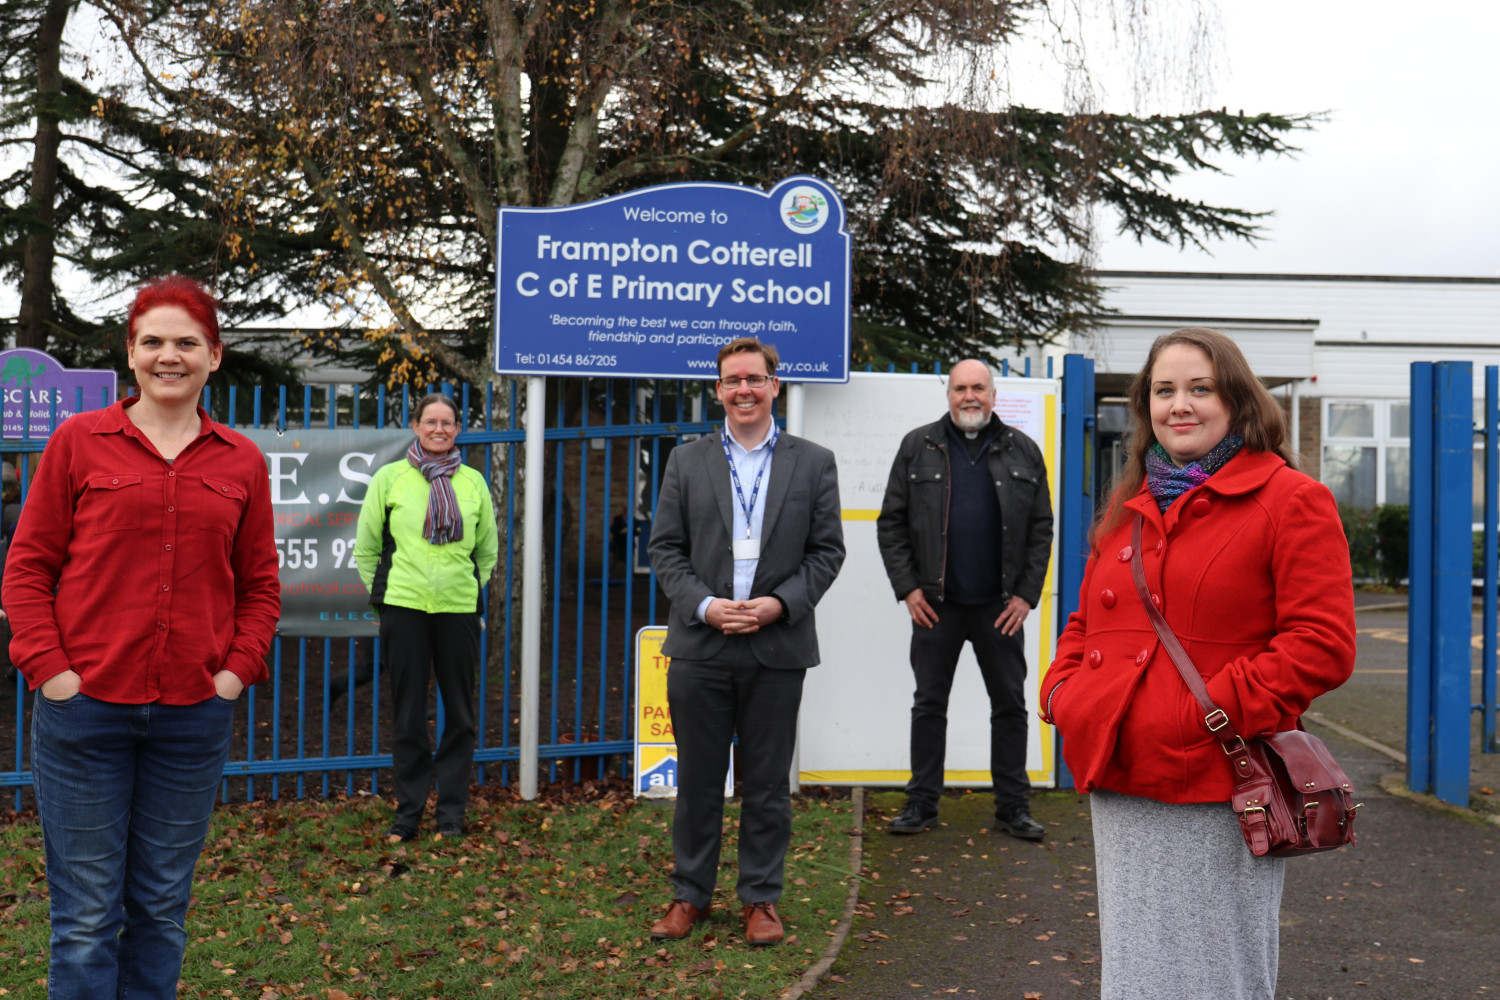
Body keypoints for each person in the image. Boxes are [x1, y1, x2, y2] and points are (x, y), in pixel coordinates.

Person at [1039, 328, 1356, 1000]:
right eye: (1163, 390)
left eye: (1199, 388)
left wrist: (1203, 711)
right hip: (1120, 773)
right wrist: (1065, 693)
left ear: (1238, 401)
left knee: (1214, 972)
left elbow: (1322, 643)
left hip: (1215, 779)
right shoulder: (1130, 509)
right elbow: (1085, 623)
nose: (1179, 405)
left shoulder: (1290, 499)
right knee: (1135, 968)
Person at [4, 275, 281, 999]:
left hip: (192, 718)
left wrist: (233, 674)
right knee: (87, 917)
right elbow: (27, 568)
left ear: (213, 357)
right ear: (130, 354)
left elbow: (259, 587)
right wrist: (51, 672)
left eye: (186, 343)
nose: (169, 356)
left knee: (159, 909)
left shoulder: (240, 462)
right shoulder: (77, 444)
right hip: (83, 714)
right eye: (153, 341)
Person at [646, 337, 845, 947]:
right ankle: (690, 895)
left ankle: (761, 899)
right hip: (700, 645)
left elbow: (827, 552)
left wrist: (778, 604)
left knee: (765, 783)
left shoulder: (813, 462)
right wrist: (705, 606)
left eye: (755, 379)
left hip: (775, 645)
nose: (744, 391)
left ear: (774, 387)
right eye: (732, 381)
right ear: (718, 390)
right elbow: (665, 550)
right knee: (700, 780)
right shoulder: (686, 460)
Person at [876, 359, 1053, 839]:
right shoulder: (919, 447)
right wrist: (908, 588)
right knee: (929, 704)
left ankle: (1013, 806)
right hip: (937, 605)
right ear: (949, 394)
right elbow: (891, 521)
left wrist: (1025, 596)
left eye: (978, 387)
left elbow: (1041, 528)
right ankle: (922, 804)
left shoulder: (1023, 449)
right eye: (960, 388)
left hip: (1000, 607)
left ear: (993, 395)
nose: (969, 396)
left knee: (1010, 706)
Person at [354, 392, 499, 843]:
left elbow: (487, 551)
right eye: (431, 421)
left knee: (460, 714)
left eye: (448, 422)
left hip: (457, 610)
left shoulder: (473, 482)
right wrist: (388, 600)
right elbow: (367, 547)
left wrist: (468, 589)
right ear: (415, 426)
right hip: (405, 609)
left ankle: (451, 814)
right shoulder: (390, 479)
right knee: (409, 716)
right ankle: (409, 814)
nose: (440, 429)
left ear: (458, 429)